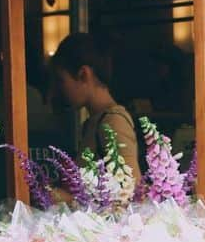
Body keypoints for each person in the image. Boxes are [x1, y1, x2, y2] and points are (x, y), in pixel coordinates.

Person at [49, 32, 142, 176]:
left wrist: (60, 195)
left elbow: (129, 187)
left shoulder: (113, 122)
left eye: (61, 80)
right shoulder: (95, 122)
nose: (59, 89)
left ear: (83, 74)